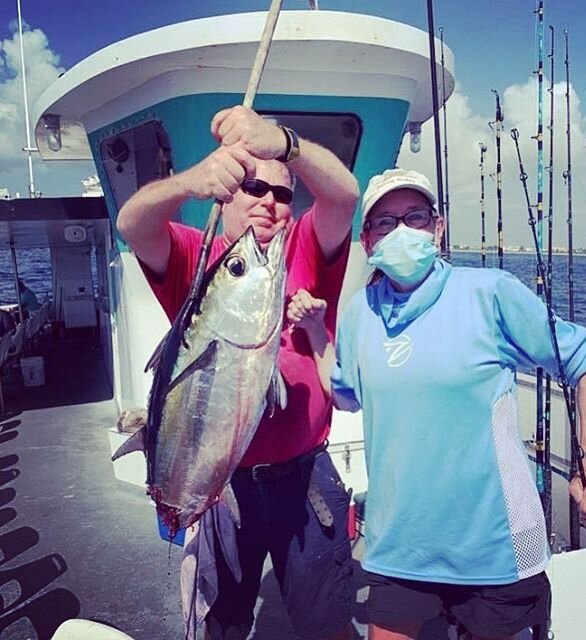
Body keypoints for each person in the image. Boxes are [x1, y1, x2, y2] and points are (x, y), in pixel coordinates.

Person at [295, 168, 586, 640]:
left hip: (496, 548)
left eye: (415, 217)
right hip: (399, 544)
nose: (401, 231)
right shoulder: (360, 311)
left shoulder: (491, 292)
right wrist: (318, 334)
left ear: (437, 227)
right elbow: (345, 394)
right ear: (368, 237)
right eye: (384, 222)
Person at [116, 105, 359, 640]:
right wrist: (191, 181)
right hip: (220, 481)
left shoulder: (306, 249)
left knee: (328, 625)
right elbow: (132, 223)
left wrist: (282, 143)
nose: (269, 202)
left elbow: (343, 195)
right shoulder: (196, 255)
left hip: (304, 478)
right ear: (227, 197)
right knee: (220, 627)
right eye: (253, 186)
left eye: (282, 192)